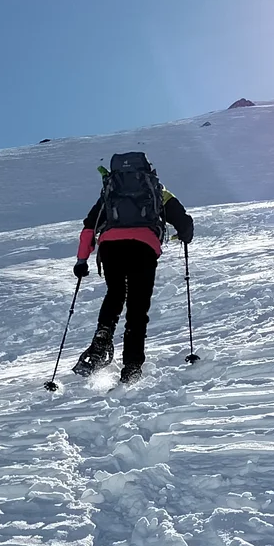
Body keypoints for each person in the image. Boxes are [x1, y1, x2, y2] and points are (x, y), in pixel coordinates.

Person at [72, 152, 193, 383]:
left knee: (115, 292)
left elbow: (90, 226)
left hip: (111, 247)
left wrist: (81, 260)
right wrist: (184, 235)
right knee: (138, 306)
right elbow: (184, 222)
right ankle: (132, 367)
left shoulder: (110, 192)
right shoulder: (158, 189)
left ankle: (103, 334)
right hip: (144, 248)